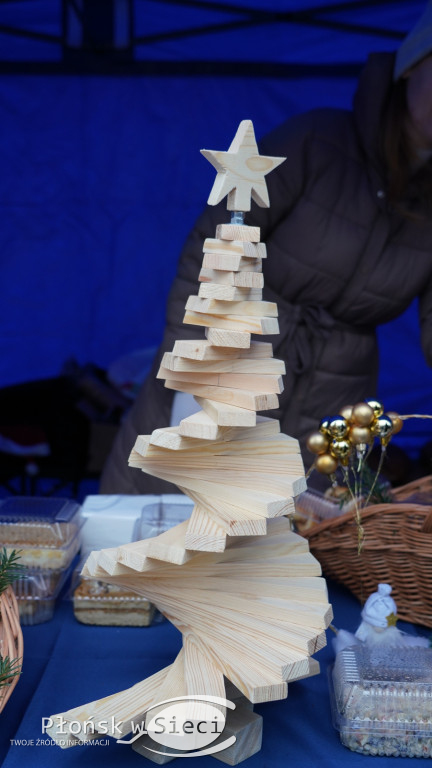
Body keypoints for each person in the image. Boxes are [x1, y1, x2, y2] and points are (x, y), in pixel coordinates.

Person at [100, 1, 432, 495]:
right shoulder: (314, 140)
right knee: (156, 537)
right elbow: (216, 243)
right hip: (233, 358)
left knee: (275, 554)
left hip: (331, 403)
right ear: (410, 70)